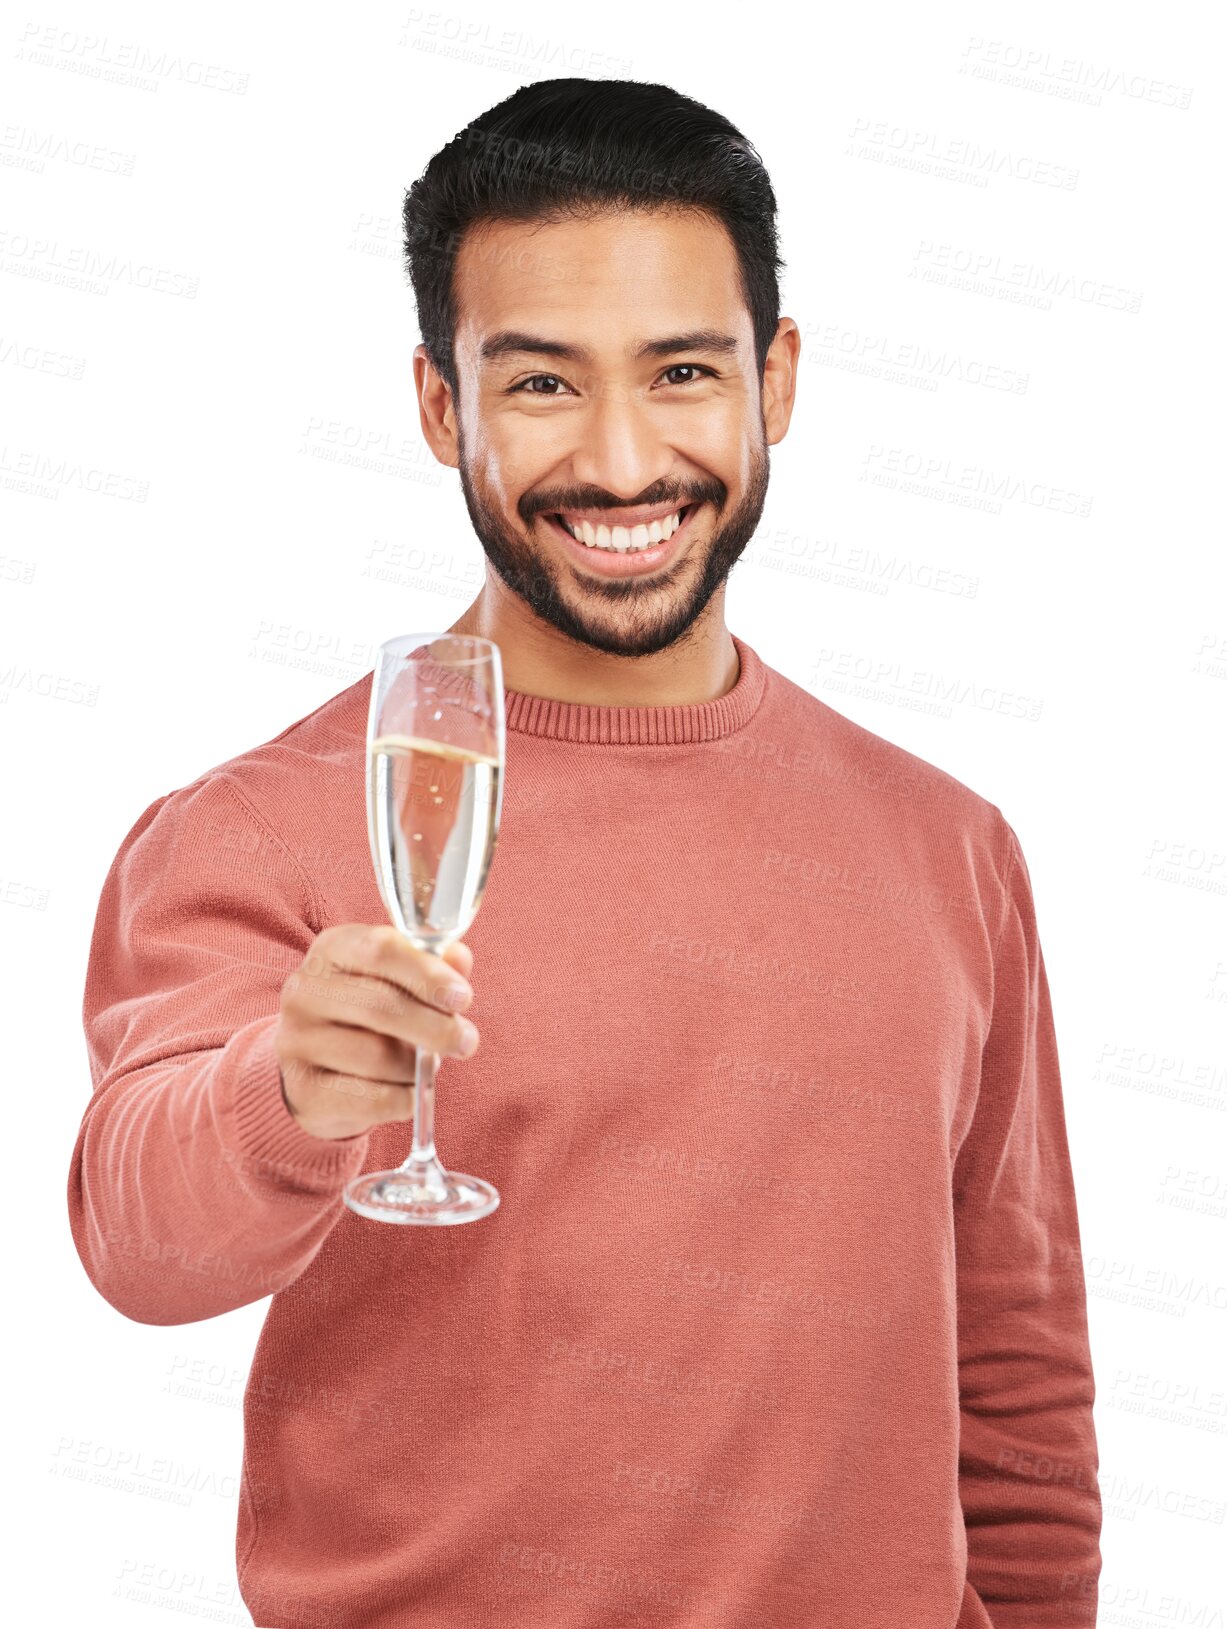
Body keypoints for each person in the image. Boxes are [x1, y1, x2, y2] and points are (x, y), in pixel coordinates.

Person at [68, 77, 1102, 1628]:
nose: (624, 465)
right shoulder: (264, 826)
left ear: (780, 380)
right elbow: (138, 1232)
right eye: (542, 386)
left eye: (683, 370)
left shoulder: (949, 846)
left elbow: (1015, 1379)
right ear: (441, 407)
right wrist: (277, 1093)